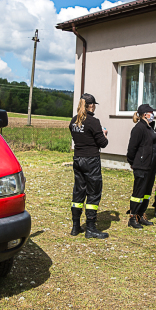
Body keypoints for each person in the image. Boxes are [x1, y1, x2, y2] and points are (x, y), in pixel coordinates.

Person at [69, 93, 109, 239]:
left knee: (78, 191)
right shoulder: (93, 121)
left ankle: (75, 226)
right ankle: (91, 228)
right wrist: (104, 134)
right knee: (93, 193)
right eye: (94, 105)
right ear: (91, 106)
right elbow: (103, 143)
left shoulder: (74, 121)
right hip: (91, 160)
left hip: (78, 159)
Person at [126, 104, 156, 228]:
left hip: (151, 166)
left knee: (146, 192)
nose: (153, 114)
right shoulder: (139, 128)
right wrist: (133, 163)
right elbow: (131, 149)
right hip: (141, 166)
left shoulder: (150, 127)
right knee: (138, 193)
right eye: (151, 112)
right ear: (145, 114)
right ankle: (133, 217)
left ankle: (141, 214)